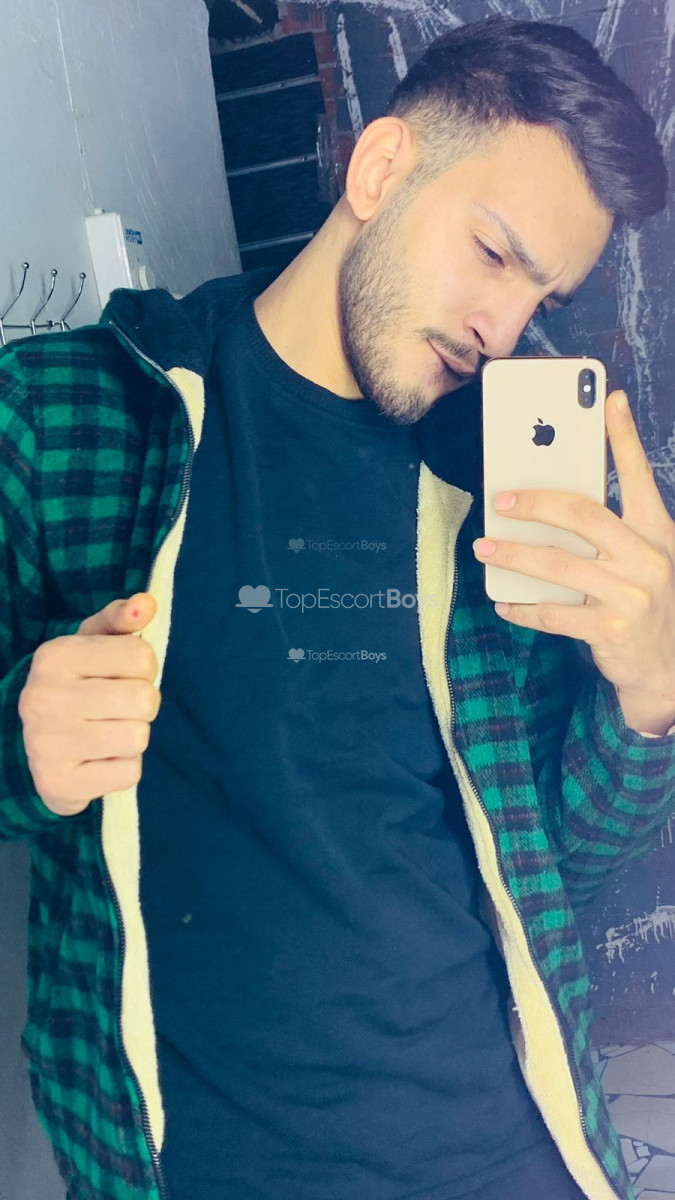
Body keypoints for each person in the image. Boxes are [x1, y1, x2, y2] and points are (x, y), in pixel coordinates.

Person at [2, 14, 674, 1200]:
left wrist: (652, 697)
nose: (504, 329)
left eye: (542, 295)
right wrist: (20, 739)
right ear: (380, 168)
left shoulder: (498, 497)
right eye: (494, 253)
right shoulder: (73, 422)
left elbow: (559, 866)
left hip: (517, 1150)